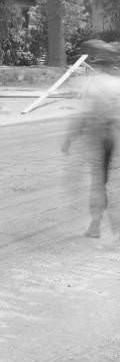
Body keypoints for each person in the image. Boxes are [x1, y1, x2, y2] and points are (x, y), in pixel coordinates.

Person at [62, 39, 120, 240]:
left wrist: (69, 138)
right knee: (108, 182)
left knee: (98, 182)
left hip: (97, 138)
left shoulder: (92, 84)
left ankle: (95, 226)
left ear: (98, 65)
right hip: (112, 138)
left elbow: (81, 116)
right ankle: (112, 227)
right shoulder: (117, 85)